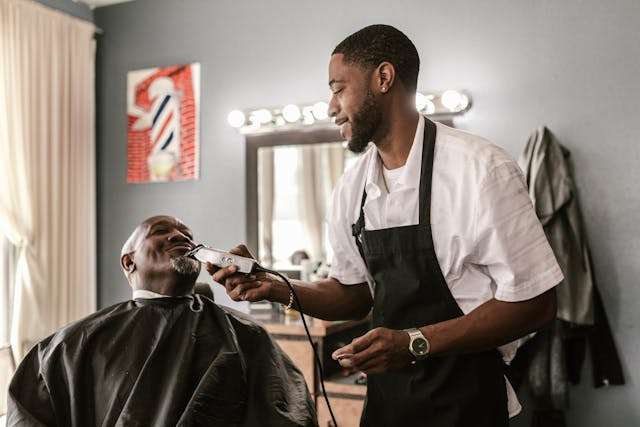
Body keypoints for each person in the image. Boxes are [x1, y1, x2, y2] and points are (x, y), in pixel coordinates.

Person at [212, 25, 563, 426]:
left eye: (338, 88)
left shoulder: (481, 170)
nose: (330, 106)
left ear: (383, 78)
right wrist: (275, 285)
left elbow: (537, 303)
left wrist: (414, 342)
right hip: (387, 405)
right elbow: (354, 292)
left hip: (466, 403)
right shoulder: (352, 186)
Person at [7, 215, 316, 427]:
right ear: (129, 262)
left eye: (187, 235)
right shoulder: (71, 344)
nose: (178, 236)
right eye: (159, 231)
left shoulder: (247, 336)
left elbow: (288, 412)